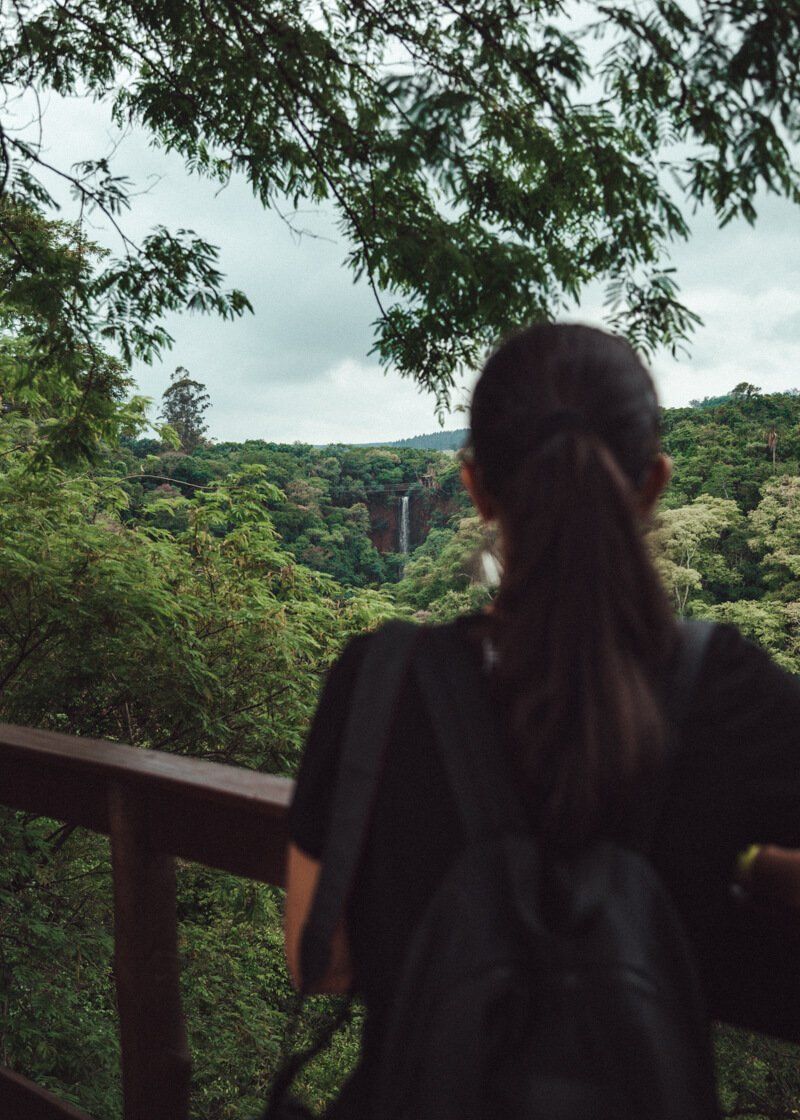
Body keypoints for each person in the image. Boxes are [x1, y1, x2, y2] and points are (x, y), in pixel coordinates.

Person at [284, 322, 800, 1115]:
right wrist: (749, 870)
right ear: (654, 483)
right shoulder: (724, 688)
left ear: (476, 486)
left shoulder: (379, 682)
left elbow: (317, 960)